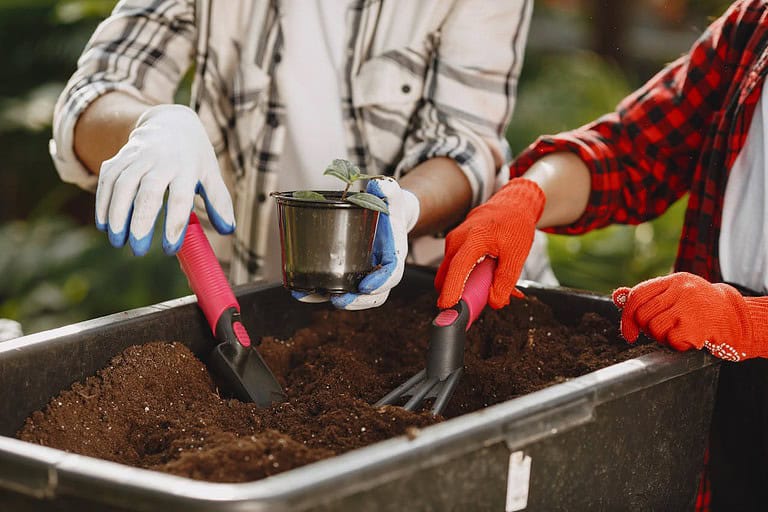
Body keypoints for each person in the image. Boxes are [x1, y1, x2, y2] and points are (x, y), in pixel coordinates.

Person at [434, 1, 768, 510]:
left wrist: (751, 323)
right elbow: (633, 149)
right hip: (717, 360)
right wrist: (528, 197)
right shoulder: (755, 31)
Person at [49, 0, 554, 311]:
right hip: (257, 290)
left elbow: (465, 141)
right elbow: (96, 90)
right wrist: (154, 124)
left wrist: (401, 209)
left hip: (441, 294)